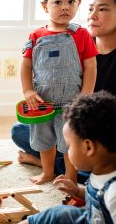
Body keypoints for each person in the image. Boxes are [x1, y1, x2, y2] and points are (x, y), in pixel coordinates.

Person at [11, 0, 116, 183]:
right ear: (45, 6)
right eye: (58, 2)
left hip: (81, 115)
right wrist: (28, 92)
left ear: (77, 3)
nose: (65, 7)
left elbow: (90, 68)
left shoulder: (80, 35)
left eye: (71, 1)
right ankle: (49, 169)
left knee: (70, 143)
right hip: (46, 107)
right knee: (26, 133)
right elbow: (26, 66)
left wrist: (84, 96)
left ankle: (67, 173)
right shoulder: (37, 36)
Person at [18, 91, 116, 224]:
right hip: (93, 217)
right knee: (59, 214)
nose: (66, 151)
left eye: (69, 146)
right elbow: (97, 198)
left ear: (88, 147)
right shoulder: (101, 170)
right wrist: (78, 191)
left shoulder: (113, 193)